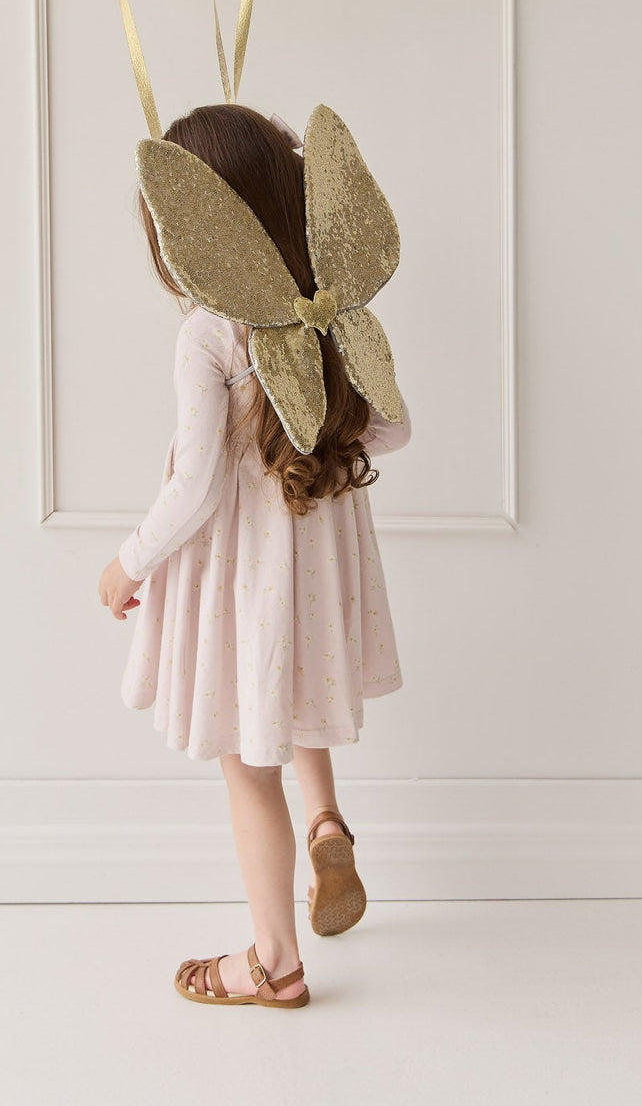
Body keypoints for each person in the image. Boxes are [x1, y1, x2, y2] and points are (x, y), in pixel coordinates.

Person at [97, 104, 411, 1009]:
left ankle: (273, 962)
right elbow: (393, 425)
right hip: (319, 567)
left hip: (248, 578)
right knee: (302, 691)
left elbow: (193, 486)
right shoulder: (332, 309)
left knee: (248, 759)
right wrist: (307, 452)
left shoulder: (209, 333)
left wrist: (130, 561)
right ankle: (326, 824)